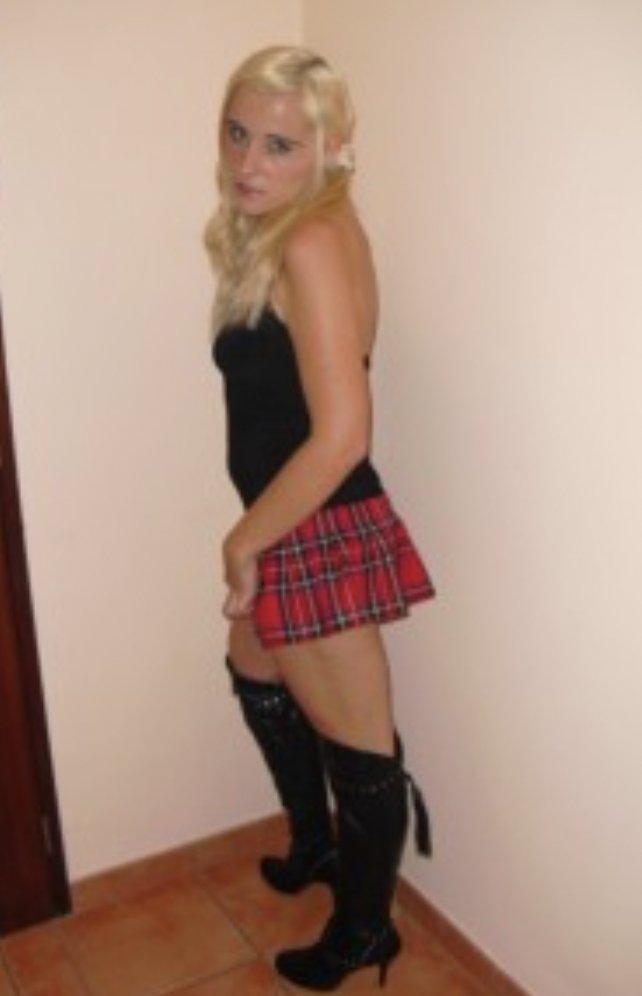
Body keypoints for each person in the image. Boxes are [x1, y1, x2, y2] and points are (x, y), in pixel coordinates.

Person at [205, 45, 435, 991]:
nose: (247, 162)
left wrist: (243, 540)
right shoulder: (299, 230)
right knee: (254, 668)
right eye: (237, 134)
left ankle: (364, 932)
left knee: (361, 749)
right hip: (287, 516)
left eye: (279, 145)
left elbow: (342, 436)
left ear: (333, 147)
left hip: (315, 525)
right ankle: (317, 845)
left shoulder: (309, 242)